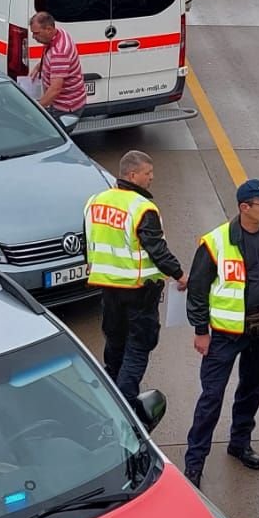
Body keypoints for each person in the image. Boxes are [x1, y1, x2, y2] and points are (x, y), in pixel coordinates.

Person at [183, 178, 259, 486]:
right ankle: (194, 462)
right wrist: (201, 331)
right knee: (212, 397)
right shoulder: (215, 242)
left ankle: (240, 442)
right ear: (244, 208)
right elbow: (197, 291)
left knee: (251, 390)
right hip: (225, 335)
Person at [84, 149, 186, 413]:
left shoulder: (96, 201)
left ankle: (110, 396)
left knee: (115, 343)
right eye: (147, 173)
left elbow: (90, 239)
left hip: (107, 286)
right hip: (139, 289)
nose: (151, 178)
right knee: (139, 346)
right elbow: (156, 248)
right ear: (132, 175)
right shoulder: (142, 208)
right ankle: (126, 405)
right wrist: (179, 274)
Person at [20, 10, 88, 116]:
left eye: (36, 33)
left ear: (49, 29)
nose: (33, 37)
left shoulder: (59, 53)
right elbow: (54, 60)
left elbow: (55, 89)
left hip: (64, 108)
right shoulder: (59, 33)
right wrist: (40, 66)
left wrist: (34, 110)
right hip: (67, 103)